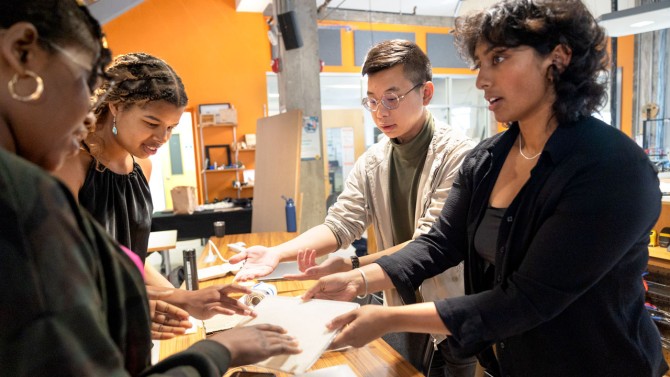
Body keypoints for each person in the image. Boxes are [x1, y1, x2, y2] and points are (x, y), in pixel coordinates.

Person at [302, 0, 669, 376]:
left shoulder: (610, 168)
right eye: (480, 63)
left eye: (499, 59)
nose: (481, 80)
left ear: (557, 58)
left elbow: (526, 300)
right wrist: (356, 278)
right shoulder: (488, 159)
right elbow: (439, 243)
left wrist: (386, 319)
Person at [0, 1, 300, 375]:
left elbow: (121, 258)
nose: (85, 112)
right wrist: (214, 350)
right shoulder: (45, 177)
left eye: (171, 129)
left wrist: (177, 297)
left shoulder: (134, 165)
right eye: (82, 82)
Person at [231, 39, 476, 376]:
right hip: (397, 301)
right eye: (372, 101)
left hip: (447, 306)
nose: (380, 112)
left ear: (427, 93)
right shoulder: (374, 160)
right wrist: (277, 254)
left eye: (392, 98)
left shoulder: (459, 156)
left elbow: (430, 244)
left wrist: (355, 274)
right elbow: (340, 225)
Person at [54, 52, 252, 338]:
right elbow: (68, 272)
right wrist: (178, 298)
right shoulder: (69, 163)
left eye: (171, 128)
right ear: (116, 106)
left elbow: (132, 258)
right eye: (151, 123)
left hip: (127, 317)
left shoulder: (141, 167)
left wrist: (185, 301)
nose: (162, 138)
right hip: (78, 329)